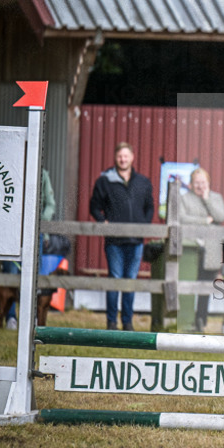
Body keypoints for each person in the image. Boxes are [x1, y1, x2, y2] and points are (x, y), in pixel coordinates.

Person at [89, 142, 154, 331]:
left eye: (126, 156)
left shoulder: (143, 182)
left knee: (130, 280)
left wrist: (144, 226)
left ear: (132, 157)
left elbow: (149, 206)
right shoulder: (105, 180)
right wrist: (103, 221)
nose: (123, 159)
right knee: (115, 278)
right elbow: (94, 206)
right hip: (114, 241)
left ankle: (127, 322)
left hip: (136, 241)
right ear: (115, 158)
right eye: (120, 156)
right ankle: (111, 322)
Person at [3, 168, 57, 330]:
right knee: (11, 272)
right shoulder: (10, 169)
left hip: (36, 233)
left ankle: (31, 316)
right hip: (12, 231)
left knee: (34, 275)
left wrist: (40, 225)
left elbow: (50, 204)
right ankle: (10, 317)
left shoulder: (43, 174)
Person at [180, 167, 224, 331]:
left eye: (203, 182)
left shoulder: (216, 197)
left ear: (208, 183)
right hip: (190, 249)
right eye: (197, 182)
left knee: (205, 287)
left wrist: (207, 199)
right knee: (187, 284)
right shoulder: (184, 198)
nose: (200, 185)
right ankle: (185, 320)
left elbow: (221, 216)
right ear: (191, 184)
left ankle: (201, 320)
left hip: (211, 250)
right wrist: (204, 221)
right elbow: (182, 218)